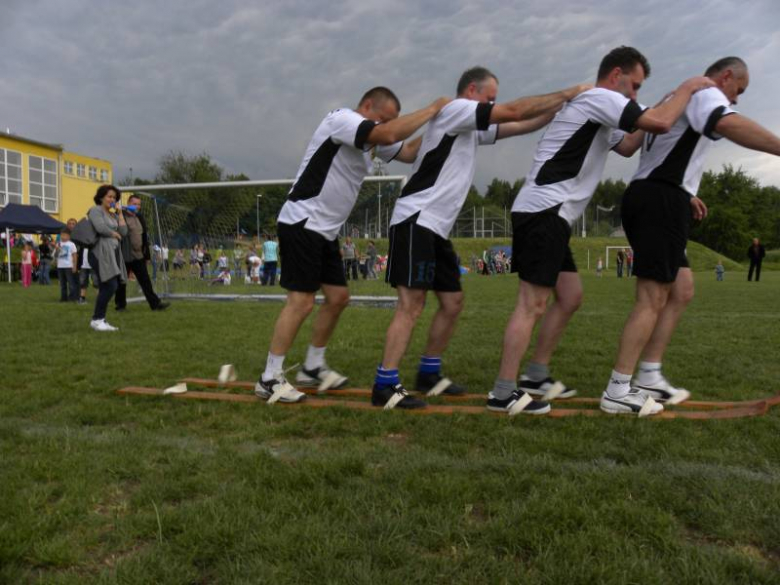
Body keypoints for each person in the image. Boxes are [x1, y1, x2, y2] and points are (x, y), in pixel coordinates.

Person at [494, 46, 715, 415]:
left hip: (553, 214)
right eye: (634, 86)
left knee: (570, 295)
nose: (634, 96)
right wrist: (688, 89)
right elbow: (659, 122)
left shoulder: (604, 110)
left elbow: (629, 146)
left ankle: (535, 375)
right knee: (531, 304)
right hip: (544, 209)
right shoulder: (599, 97)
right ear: (616, 75)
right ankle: (502, 392)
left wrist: (678, 189)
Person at [375, 67, 591, 409]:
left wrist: (560, 110)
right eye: (490, 98)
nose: (493, 104)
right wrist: (569, 92)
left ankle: (428, 374)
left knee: (452, 302)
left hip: (435, 227)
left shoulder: (470, 128)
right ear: (472, 90)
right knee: (411, 305)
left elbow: (522, 124)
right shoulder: (458, 110)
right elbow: (516, 111)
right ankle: (385, 384)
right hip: (416, 219)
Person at [602, 56, 780, 415]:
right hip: (660, 200)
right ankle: (618, 389)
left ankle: (649, 374)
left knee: (681, 289)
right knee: (652, 297)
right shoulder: (704, 91)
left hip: (659, 195)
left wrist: (686, 191)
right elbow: (728, 124)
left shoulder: (674, 97)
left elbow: (652, 150)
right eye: (738, 90)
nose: (736, 99)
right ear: (726, 76)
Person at [256, 87, 451, 404]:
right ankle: (269, 378)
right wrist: (432, 108)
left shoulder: (371, 138)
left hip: (325, 231)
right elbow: (387, 135)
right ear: (367, 105)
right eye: (382, 118)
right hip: (303, 221)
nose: (385, 126)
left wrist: (440, 125)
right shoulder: (343, 120)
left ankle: (313, 367)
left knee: (338, 297)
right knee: (302, 302)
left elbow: (409, 152)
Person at [115, 194, 169, 312]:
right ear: (128, 203)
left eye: (139, 204)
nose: (137, 206)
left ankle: (155, 304)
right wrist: (119, 212)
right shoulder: (120, 215)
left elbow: (144, 237)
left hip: (138, 255)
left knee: (145, 281)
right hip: (125, 255)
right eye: (134, 204)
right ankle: (120, 306)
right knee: (122, 281)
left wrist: (147, 256)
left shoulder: (140, 217)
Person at [87, 185, 127, 332]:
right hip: (100, 253)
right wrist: (113, 234)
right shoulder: (95, 210)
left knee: (108, 286)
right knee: (111, 285)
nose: (112, 199)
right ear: (101, 197)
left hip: (112, 253)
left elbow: (123, 231)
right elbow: (100, 228)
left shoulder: (113, 214)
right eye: (109, 196)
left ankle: (99, 320)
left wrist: (120, 214)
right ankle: (97, 319)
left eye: (114, 198)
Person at [55, 229, 79, 302]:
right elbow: (56, 255)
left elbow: (74, 255)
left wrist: (74, 266)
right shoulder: (58, 244)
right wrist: (57, 249)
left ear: (69, 236)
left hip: (69, 266)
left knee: (71, 283)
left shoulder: (71, 244)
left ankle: (72, 297)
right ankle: (63, 297)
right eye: (62, 235)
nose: (63, 237)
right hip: (60, 266)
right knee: (62, 283)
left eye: (65, 235)